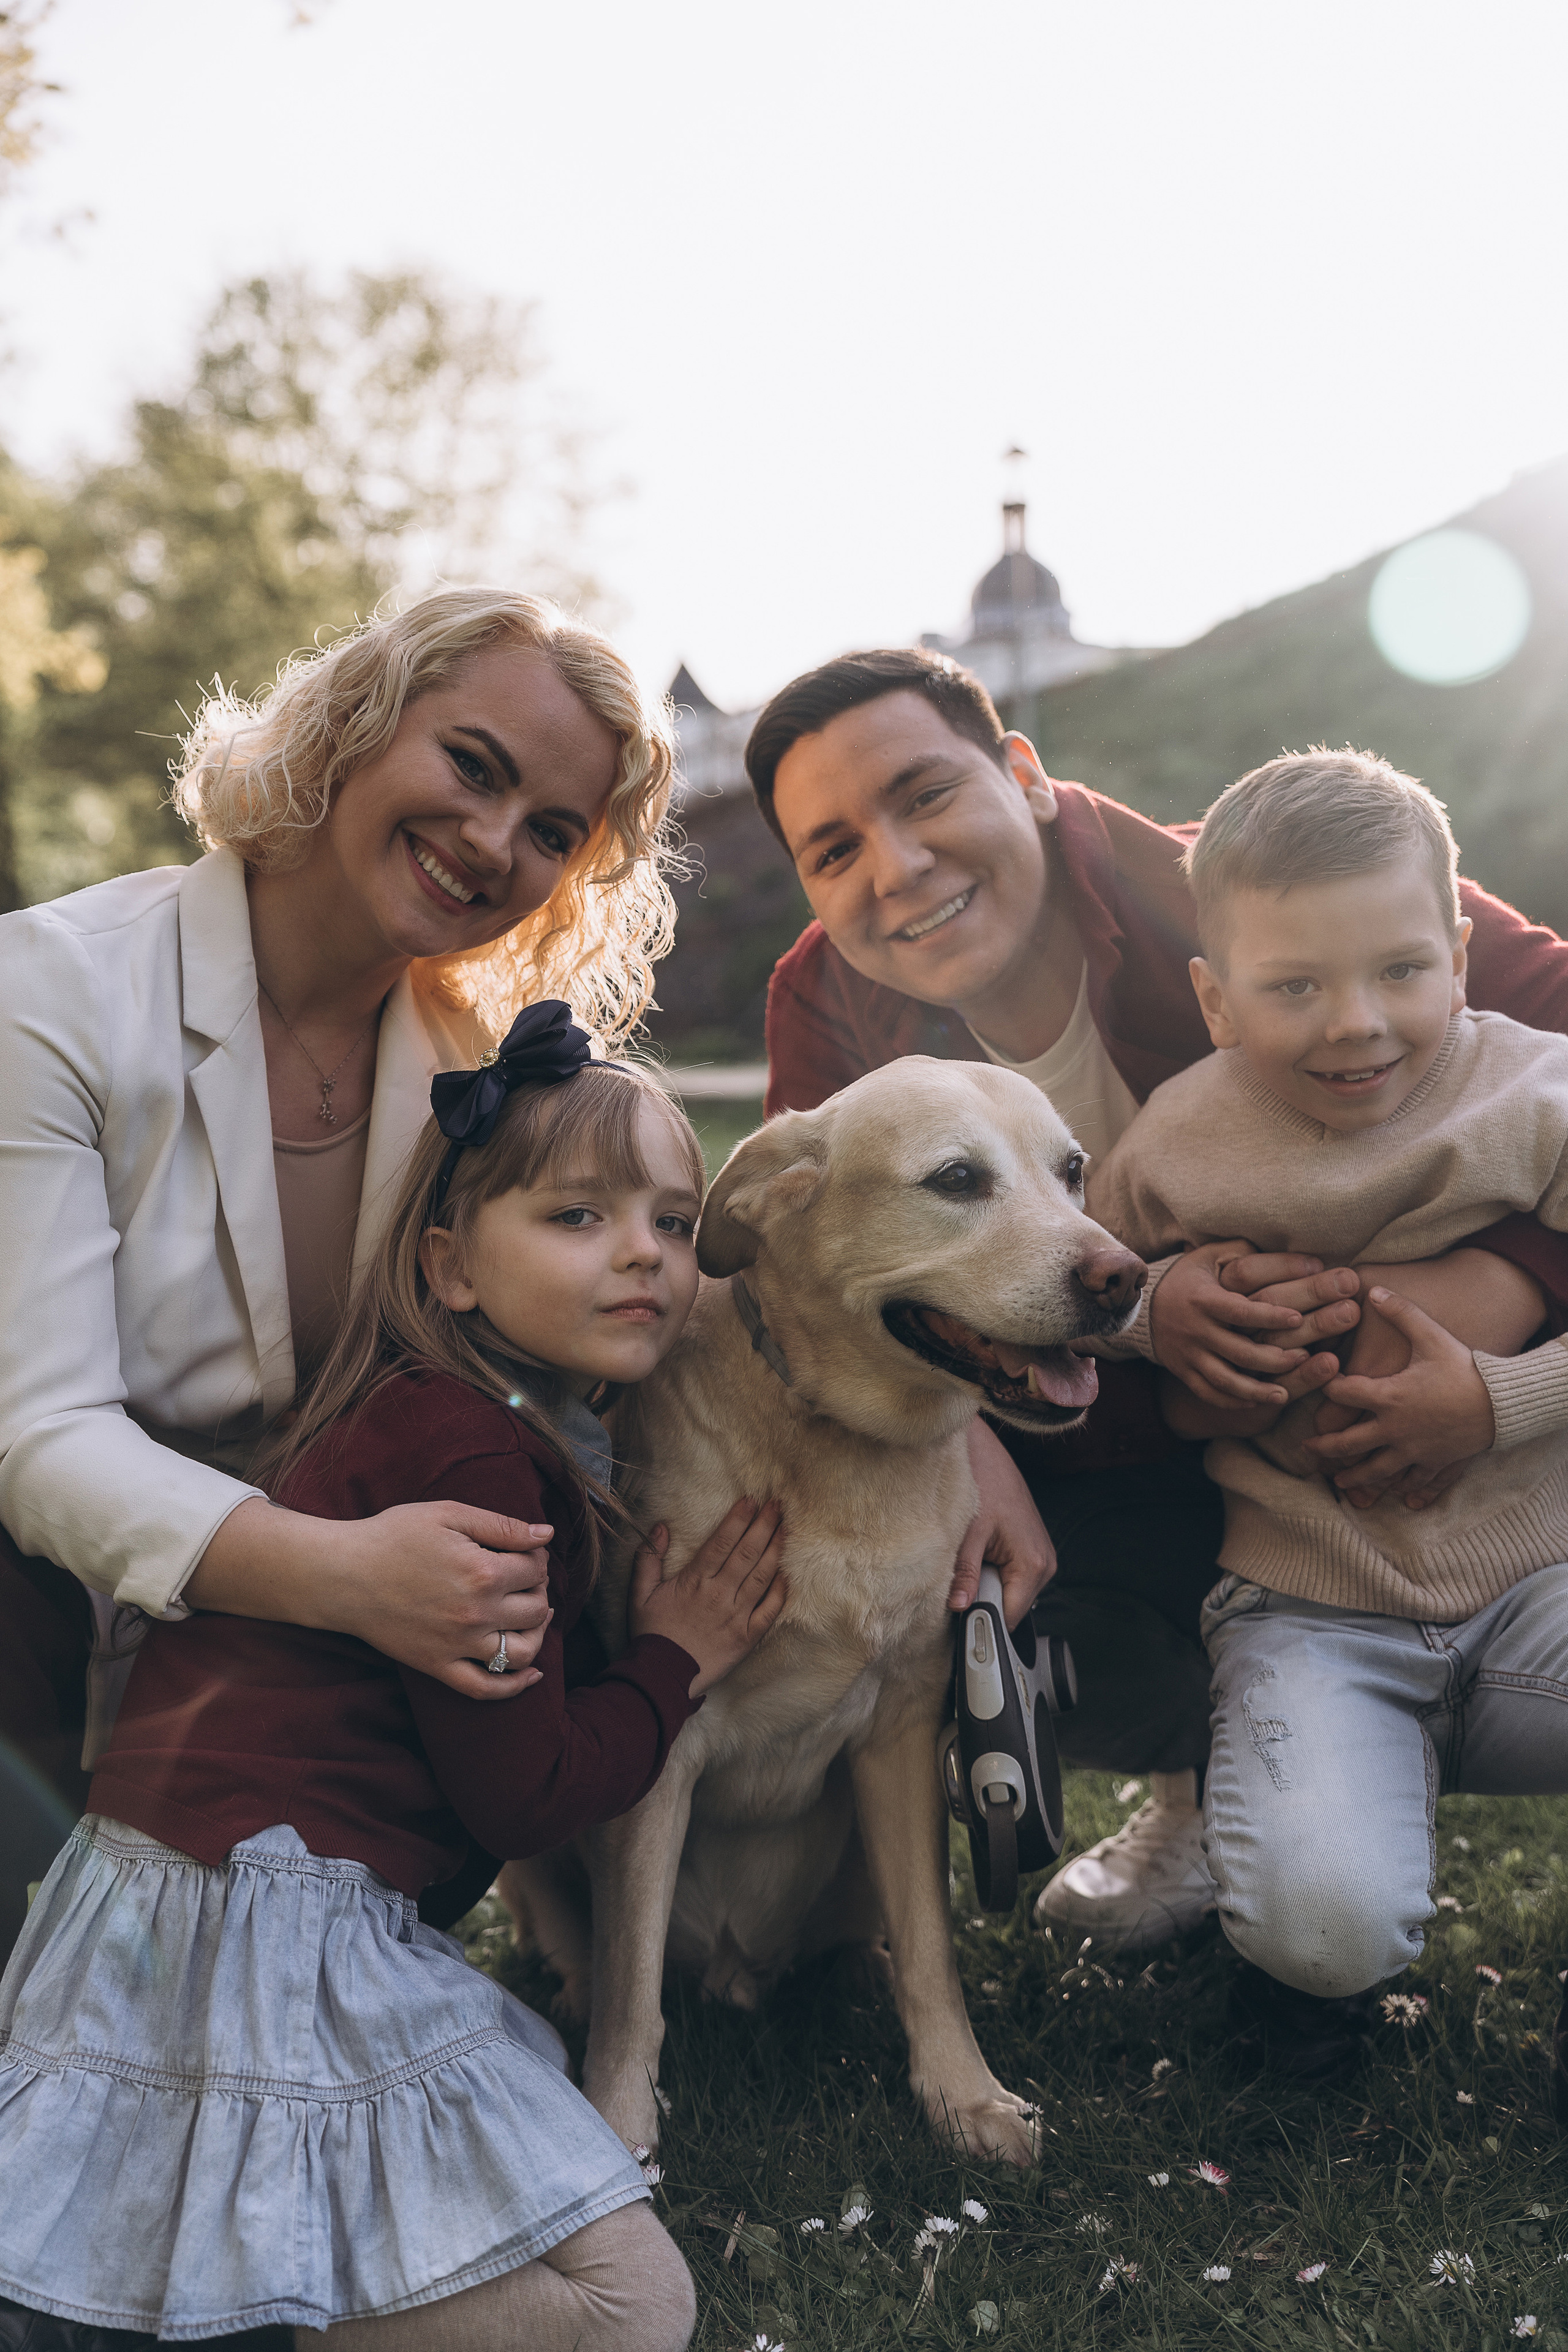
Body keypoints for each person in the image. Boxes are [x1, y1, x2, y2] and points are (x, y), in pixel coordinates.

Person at [749, 647, 1568, 1951]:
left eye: (924, 795)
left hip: (1441, 1453)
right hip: (1116, 1431)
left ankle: (1332, 1749)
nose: (893, 867)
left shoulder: (1269, 893)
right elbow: (821, 1281)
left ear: (1021, 773)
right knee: (971, 1580)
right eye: (831, 848)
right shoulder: (832, 1007)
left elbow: (1537, 1057)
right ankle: (1219, 1782)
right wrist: (965, 1440)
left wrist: (1503, 1286)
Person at [0, 1014, 789, 2346]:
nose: (644, 1253)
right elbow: (528, 1796)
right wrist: (675, 1660)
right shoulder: (480, 1469)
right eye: (579, 1216)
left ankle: (176, 2292)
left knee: (509, 2082)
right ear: (452, 1265)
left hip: (150, 1910)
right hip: (268, 1935)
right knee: (632, 2309)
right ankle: (242, 2324)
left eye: (671, 1219)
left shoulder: (422, 1412)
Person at [0, 587, 677, 1956]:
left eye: (552, 831)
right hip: (46, 1598)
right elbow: (42, 1437)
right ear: (352, 725)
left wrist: (967, 1452)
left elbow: (651, 1277)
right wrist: (346, 1576)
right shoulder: (51, 992)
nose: (492, 844)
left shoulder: (481, 1073)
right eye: (471, 768)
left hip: (307, 1675)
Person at [1087, 750, 1568, 2094]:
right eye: (1293, 986)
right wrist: (1171, 1305)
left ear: (1461, 952)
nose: (1353, 1023)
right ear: (1213, 998)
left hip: (1540, 1588)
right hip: (1313, 1607)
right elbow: (1088, 1296)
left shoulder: (1537, 1094)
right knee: (1321, 1919)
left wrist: (1499, 1397)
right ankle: (1307, 1993)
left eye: (1398, 971)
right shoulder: (1177, 1138)